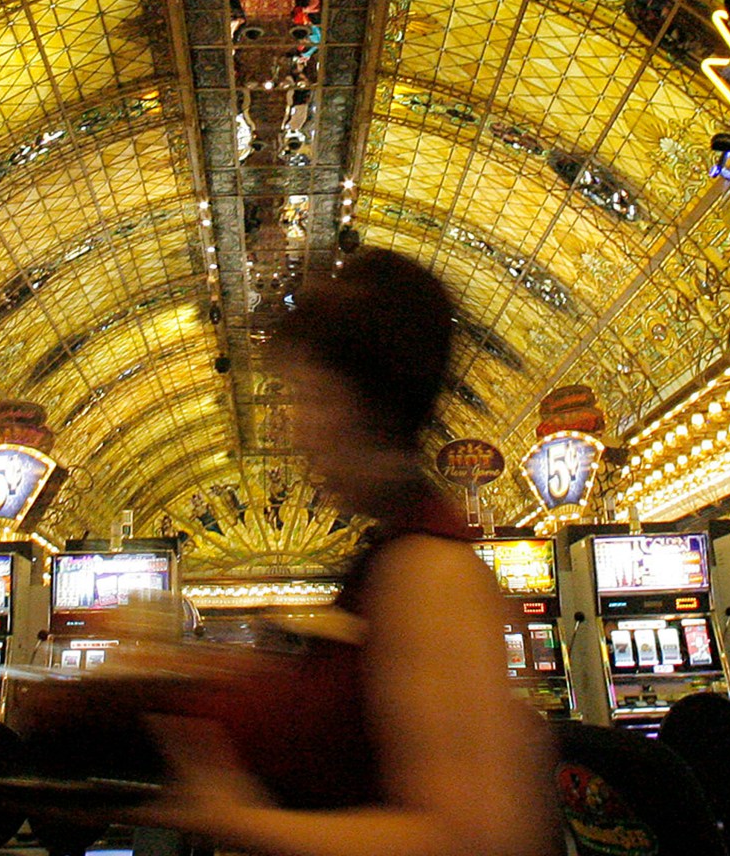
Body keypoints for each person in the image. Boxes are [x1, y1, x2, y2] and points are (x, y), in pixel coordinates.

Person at [137, 250, 555, 856]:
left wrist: (233, 819)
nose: (295, 430)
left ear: (356, 403)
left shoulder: (428, 571)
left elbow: (467, 836)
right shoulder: (393, 556)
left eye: (306, 397)